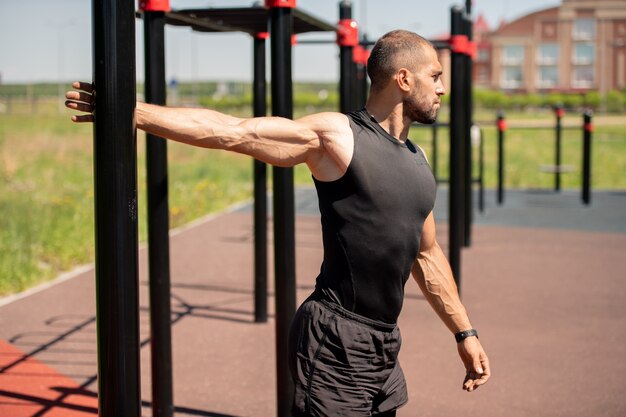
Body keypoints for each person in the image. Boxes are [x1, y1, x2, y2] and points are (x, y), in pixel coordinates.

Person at [66, 30, 490, 417]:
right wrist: (130, 111)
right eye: (434, 76)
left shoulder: (419, 161)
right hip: (334, 338)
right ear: (403, 79)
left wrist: (463, 332)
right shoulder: (338, 137)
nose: (442, 87)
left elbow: (427, 254)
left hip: (383, 345)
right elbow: (233, 132)